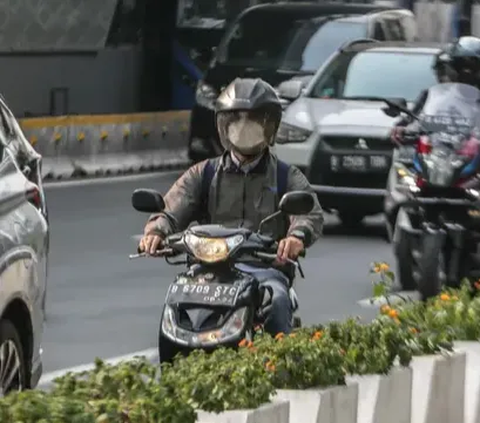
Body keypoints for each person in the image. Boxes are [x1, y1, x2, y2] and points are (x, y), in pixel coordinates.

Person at [138, 77, 324, 335]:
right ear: (223, 125)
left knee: (278, 301)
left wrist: (296, 237)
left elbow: (309, 212)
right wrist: (156, 232)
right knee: (175, 306)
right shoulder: (203, 173)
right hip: (207, 271)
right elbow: (172, 208)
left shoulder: (285, 176)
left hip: (264, 270)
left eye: (254, 120)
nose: (244, 128)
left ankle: (278, 369)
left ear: (270, 125)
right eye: (236, 119)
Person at [391, 36, 480, 144]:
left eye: (471, 66)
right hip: (437, 153)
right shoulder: (433, 95)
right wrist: (403, 129)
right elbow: (413, 120)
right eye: (459, 66)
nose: (466, 72)